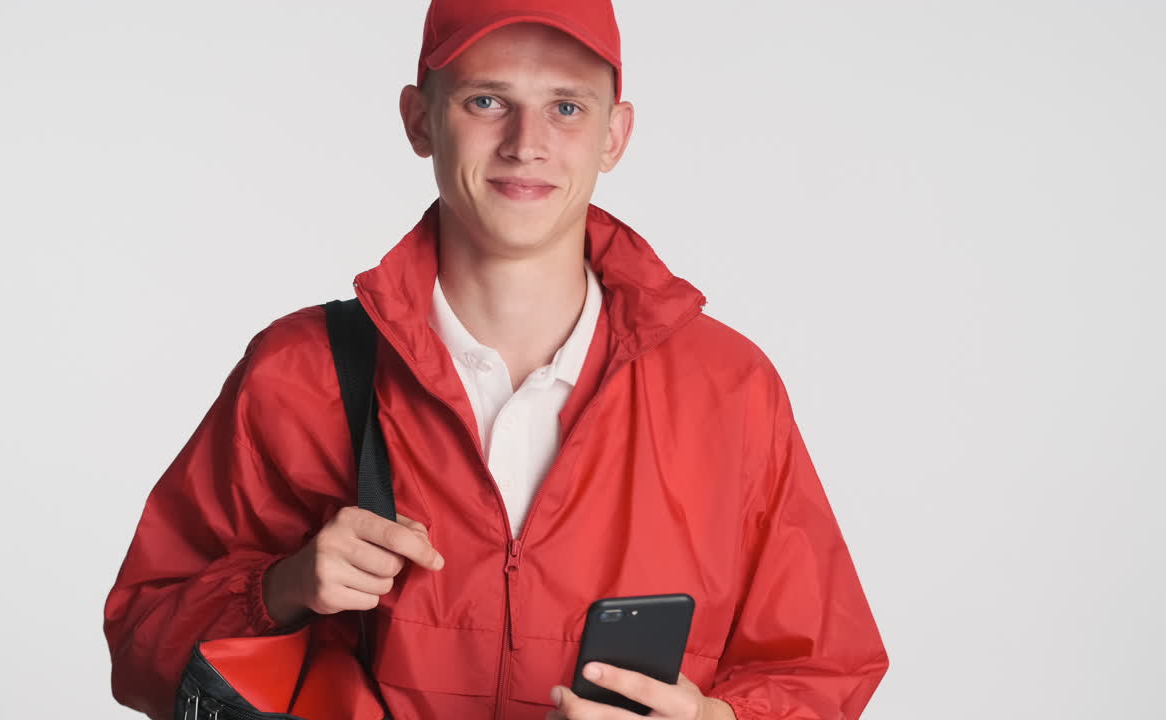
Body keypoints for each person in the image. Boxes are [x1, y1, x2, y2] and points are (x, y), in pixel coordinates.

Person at [103, 1, 890, 719]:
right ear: (419, 120)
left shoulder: (727, 388)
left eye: (566, 107)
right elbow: (140, 642)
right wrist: (282, 587)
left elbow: (827, 670)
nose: (526, 143)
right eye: (487, 100)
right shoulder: (300, 372)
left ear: (615, 134)